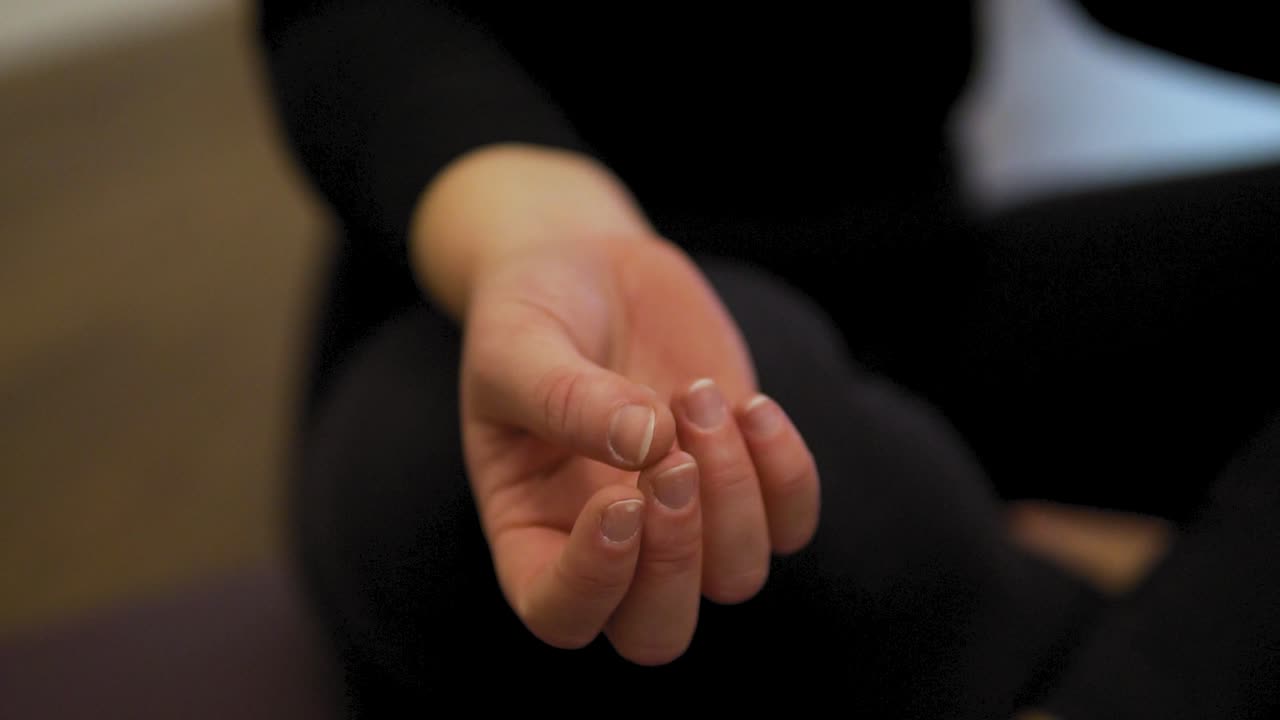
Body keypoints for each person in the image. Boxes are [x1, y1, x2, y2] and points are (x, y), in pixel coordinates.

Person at [257, 1, 1280, 716]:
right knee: (509, 485)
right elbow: (351, 20)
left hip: (911, 279)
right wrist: (541, 230)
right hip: (522, 315)